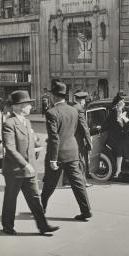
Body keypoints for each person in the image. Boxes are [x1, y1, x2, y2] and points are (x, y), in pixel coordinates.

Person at [1, 90, 59, 235]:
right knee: (10, 199)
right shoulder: (9, 123)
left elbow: (29, 141)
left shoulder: (26, 122)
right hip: (14, 170)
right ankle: (8, 226)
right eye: (28, 104)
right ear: (20, 106)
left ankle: (43, 226)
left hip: (29, 168)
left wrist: (37, 142)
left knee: (35, 198)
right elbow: (10, 148)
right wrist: (25, 164)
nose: (30, 107)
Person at [41, 82, 92, 221]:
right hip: (73, 152)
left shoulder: (51, 112)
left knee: (49, 184)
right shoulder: (74, 110)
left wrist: (52, 158)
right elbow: (77, 129)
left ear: (53, 96)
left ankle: (41, 208)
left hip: (57, 154)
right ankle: (86, 210)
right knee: (78, 183)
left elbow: (54, 137)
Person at [62, 91, 92, 187]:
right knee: (81, 160)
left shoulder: (70, 108)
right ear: (81, 100)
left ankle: (66, 182)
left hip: (67, 138)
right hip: (77, 139)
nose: (84, 103)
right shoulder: (79, 109)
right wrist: (89, 141)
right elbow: (84, 127)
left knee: (69, 160)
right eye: (84, 101)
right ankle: (83, 182)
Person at [102, 93, 129, 178]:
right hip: (117, 135)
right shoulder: (113, 111)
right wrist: (99, 128)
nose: (121, 104)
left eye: (122, 102)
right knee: (118, 152)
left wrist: (125, 118)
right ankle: (118, 170)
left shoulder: (128, 109)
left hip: (127, 133)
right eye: (120, 103)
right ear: (116, 104)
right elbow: (107, 123)